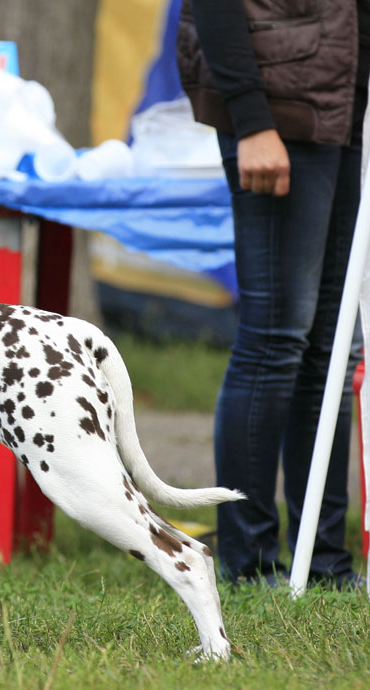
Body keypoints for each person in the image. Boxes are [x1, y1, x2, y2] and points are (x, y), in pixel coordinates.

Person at [178, 0, 367, 588]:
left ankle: (324, 559)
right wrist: (252, 120)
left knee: (334, 350)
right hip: (277, 113)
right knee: (275, 340)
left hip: (345, 111)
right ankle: (247, 560)